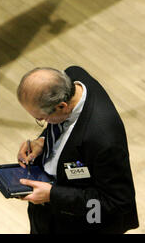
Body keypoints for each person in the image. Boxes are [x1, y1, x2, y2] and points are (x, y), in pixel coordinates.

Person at [16, 66, 138, 233]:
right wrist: (43, 140)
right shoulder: (72, 78)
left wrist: (53, 195)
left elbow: (117, 203)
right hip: (47, 217)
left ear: (62, 106)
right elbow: (59, 125)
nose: (43, 122)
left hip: (81, 226)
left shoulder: (104, 141)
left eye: (42, 119)